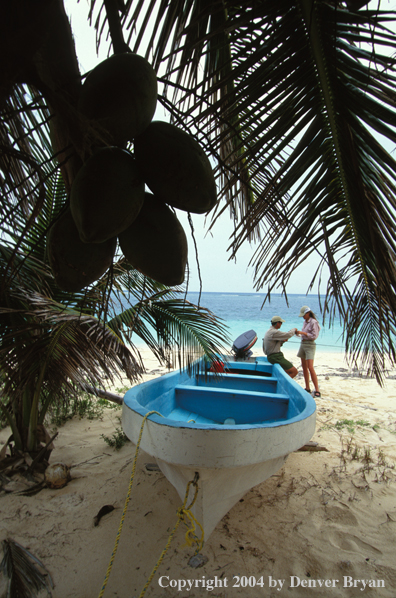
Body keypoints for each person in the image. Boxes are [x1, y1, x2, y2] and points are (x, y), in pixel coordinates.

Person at [296, 305, 321, 397]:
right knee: (304, 367)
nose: (303, 316)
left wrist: (303, 333)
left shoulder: (313, 322)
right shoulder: (305, 322)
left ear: (308, 313)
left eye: (304, 314)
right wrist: (299, 333)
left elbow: (314, 336)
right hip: (303, 344)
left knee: (310, 367)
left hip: (310, 345)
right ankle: (307, 387)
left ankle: (317, 389)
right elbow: (305, 334)